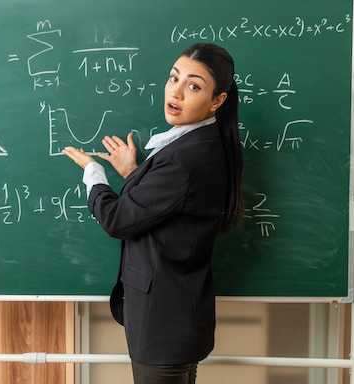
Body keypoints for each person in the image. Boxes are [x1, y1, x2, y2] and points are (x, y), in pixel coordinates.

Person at [62, 42, 243, 384]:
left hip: (163, 321)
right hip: (178, 315)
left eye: (194, 86)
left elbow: (117, 220)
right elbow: (171, 205)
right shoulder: (200, 144)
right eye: (174, 78)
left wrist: (92, 171)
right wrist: (132, 173)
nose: (176, 92)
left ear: (217, 100)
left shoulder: (183, 157)